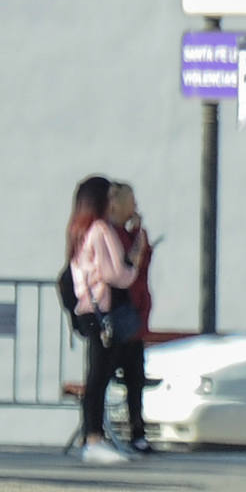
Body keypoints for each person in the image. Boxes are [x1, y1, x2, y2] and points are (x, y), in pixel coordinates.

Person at [66, 174, 143, 464]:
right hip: (103, 309)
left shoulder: (78, 229)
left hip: (88, 309)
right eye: (110, 196)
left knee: (97, 375)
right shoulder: (101, 229)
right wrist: (133, 262)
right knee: (100, 375)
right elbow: (116, 275)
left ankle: (94, 436)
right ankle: (94, 437)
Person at [106, 182, 155, 454]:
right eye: (131, 201)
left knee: (136, 379)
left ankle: (138, 432)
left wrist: (138, 231)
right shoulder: (110, 235)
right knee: (105, 374)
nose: (135, 207)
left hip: (135, 319)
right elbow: (128, 266)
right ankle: (97, 432)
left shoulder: (130, 233)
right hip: (119, 316)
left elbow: (143, 263)